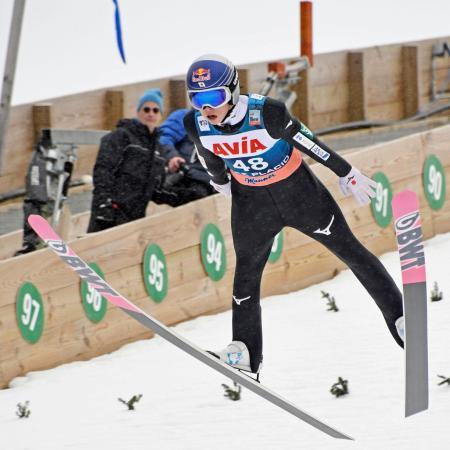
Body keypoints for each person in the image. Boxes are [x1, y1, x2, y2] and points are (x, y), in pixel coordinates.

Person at [183, 54, 405, 375]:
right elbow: (208, 154)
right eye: (197, 99)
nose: (207, 108)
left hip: (300, 195)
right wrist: (221, 182)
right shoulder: (197, 123)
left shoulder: (267, 112)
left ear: (232, 90)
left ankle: (399, 317)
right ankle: (245, 350)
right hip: (251, 203)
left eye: (214, 97)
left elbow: (308, 141)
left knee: (349, 250)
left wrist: (345, 171)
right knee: (245, 275)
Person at [87, 88, 180, 233]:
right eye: (146, 109)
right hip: (112, 210)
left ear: (160, 115)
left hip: (135, 215)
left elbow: (156, 189)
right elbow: (103, 169)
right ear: (138, 112)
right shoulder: (122, 136)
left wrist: (186, 196)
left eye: (156, 110)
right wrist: (104, 203)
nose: (150, 114)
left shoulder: (158, 150)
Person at [159, 108, 215, 200]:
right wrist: (172, 156)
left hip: (213, 182)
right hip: (186, 175)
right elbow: (163, 138)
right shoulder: (184, 117)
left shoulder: (226, 124)